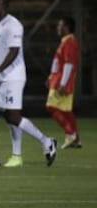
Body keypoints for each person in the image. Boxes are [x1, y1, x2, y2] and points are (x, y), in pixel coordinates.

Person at [0, 0, 57, 168]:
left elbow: (13, 52)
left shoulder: (13, 25)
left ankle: (46, 142)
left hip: (12, 76)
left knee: (12, 117)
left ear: (2, 7)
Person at [46, 17, 82, 149]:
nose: (58, 28)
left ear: (66, 27)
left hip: (60, 82)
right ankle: (76, 139)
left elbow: (68, 63)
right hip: (58, 80)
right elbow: (59, 63)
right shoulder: (66, 41)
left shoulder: (69, 42)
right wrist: (51, 77)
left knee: (51, 107)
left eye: (60, 25)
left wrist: (62, 83)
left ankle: (70, 133)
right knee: (66, 111)